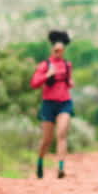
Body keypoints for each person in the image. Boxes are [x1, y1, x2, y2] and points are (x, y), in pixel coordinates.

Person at [30, 30, 74, 179]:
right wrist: (47, 75)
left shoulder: (67, 65)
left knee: (62, 133)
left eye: (61, 50)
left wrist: (69, 83)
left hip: (64, 103)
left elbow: (68, 82)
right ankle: (40, 161)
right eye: (56, 50)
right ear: (52, 49)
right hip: (48, 104)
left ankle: (61, 167)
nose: (58, 53)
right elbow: (34, 83)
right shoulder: (45, 65)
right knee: (47, 139)